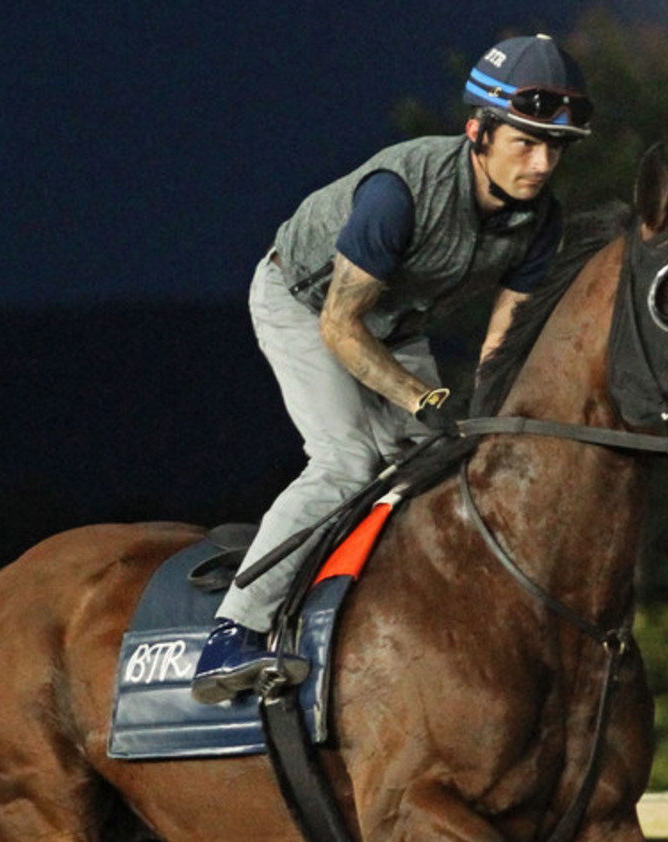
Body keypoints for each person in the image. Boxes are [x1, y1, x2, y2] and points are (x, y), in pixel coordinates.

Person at [191, 33, 594, 705]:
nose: (542, 163)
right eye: (525, 142)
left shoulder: (539, 222)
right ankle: (233, 633)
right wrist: (422, 397)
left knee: (435, 464)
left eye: (555, 147)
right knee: (347, 460)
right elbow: (339, 328)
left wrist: (481, 416)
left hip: (394, 321)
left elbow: (501, 341)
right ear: (477, 132)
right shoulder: (399, 193)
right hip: (307, 302)